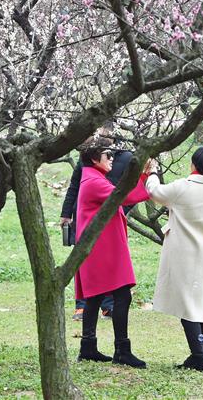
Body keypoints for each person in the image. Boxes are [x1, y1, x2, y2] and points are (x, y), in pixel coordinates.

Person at [145, 147, 203, 371]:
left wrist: (152, 171)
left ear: (194, 165)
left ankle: (199, 357)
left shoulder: (183, 188)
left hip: (183, 256)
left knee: (188, 307)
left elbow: (154, 192)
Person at [75, 137, 152, 368]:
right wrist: (146, 176)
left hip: (100, 247)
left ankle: (88, 346)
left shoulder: (93, 177)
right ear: (93, 158)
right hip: (102, 249)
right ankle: (122, 350)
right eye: (107, 154)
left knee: (96, 296)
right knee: (121, 296)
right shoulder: (94, 181)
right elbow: (125, 196)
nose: (111, 158)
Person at [61, 126, 136, 320]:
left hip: (110, 216)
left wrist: (120, 210)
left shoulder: (127, 157)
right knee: (85, 259)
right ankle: (82, 305)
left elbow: (129, 190)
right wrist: (66, 212)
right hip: (87, 214)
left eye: (106, 133)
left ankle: (107, 305)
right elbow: (75, 184)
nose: (101, 137)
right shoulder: (89, 158)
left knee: (108, 261)